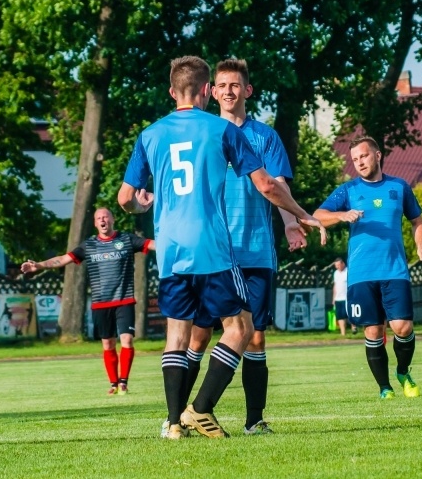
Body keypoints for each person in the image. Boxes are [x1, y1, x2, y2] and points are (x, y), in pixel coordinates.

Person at [118, 55, 325, 439]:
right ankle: (201, 408)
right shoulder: (220, 130)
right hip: (212, 246)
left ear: (170, 91)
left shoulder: (150, 134)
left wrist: (141, 205)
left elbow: (125, 198)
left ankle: (174, 424)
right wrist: (302, 214)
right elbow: (266, 185)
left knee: (176, 336)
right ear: (205, 91)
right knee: (241, 326)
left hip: (170, 249)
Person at [179, 58, 310, 437]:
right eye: (221, 85)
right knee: (199, 335)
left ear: (247, 91)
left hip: (254, 250)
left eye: (235, 85)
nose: (228, 91)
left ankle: (253, 420)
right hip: (214, 252)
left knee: (254, 335)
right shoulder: (206, 134)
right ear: (211, 91)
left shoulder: (265, 137)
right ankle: (180, 417)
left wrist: (290, 224)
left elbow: (277, 187)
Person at [313, 136, 422, 399]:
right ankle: (384, 387)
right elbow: (318, 215)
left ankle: (403, 371)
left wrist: (421, 246)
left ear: (377, 155)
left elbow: (417, 220)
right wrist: (341, 215)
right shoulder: (348, 191)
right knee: (374, 330)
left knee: (402, 327)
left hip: (395, 270)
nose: (359, 163)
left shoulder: (399, 187)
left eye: (363, 156)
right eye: (355, 159)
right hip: (361, 275)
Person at [21, 208, 154, 395]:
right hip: (101, 303)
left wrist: (174, 243)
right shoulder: (89, 245)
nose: (102, 220)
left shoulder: (126, 239)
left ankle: (124, 381)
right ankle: (113, 383)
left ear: (112, 219)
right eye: (99, 218)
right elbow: (63, 259)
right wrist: (39, 265)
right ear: (95, 223)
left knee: (127, 339)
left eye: (105, 216)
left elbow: (151, 243)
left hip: (124, 300)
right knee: (108, 344)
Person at [332, 257, 357, 335]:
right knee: (340, 316)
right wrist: (333, 298)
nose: (337, 267)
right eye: (336, 265)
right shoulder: (336, 273)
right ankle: (343, 333)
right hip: (338, 298)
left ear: (343, 264)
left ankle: (354, 327)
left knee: (349, 314)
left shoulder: (348, 272)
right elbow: (335, 285)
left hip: (347, 297)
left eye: (339, 265)